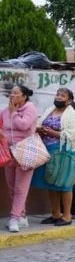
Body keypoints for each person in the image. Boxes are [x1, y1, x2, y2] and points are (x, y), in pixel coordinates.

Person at [33, 88, 75, 227]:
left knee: (65, 184)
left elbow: (73, 134)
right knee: (51, 182)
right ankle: (56, 213)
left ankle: (67, 216)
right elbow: (40, 123)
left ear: (69, 100)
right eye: (58, 94)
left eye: (63, 95)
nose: (59, 97)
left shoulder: (72, 114)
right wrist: (40, 129)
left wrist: (53, 132)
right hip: (48, 151)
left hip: (64, 153)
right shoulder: (50, 110)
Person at [1, 85, 38, 232]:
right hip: (8, 153)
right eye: (11, 93)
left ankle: (14, 218)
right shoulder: (5, 111)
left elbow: (24, 125)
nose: (12, 96)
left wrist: (14, 113)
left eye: (16, 93)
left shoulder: (30, 108)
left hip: (25, 151)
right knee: (11, 185)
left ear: (24, 96)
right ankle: (21, 216)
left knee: (20, 187)